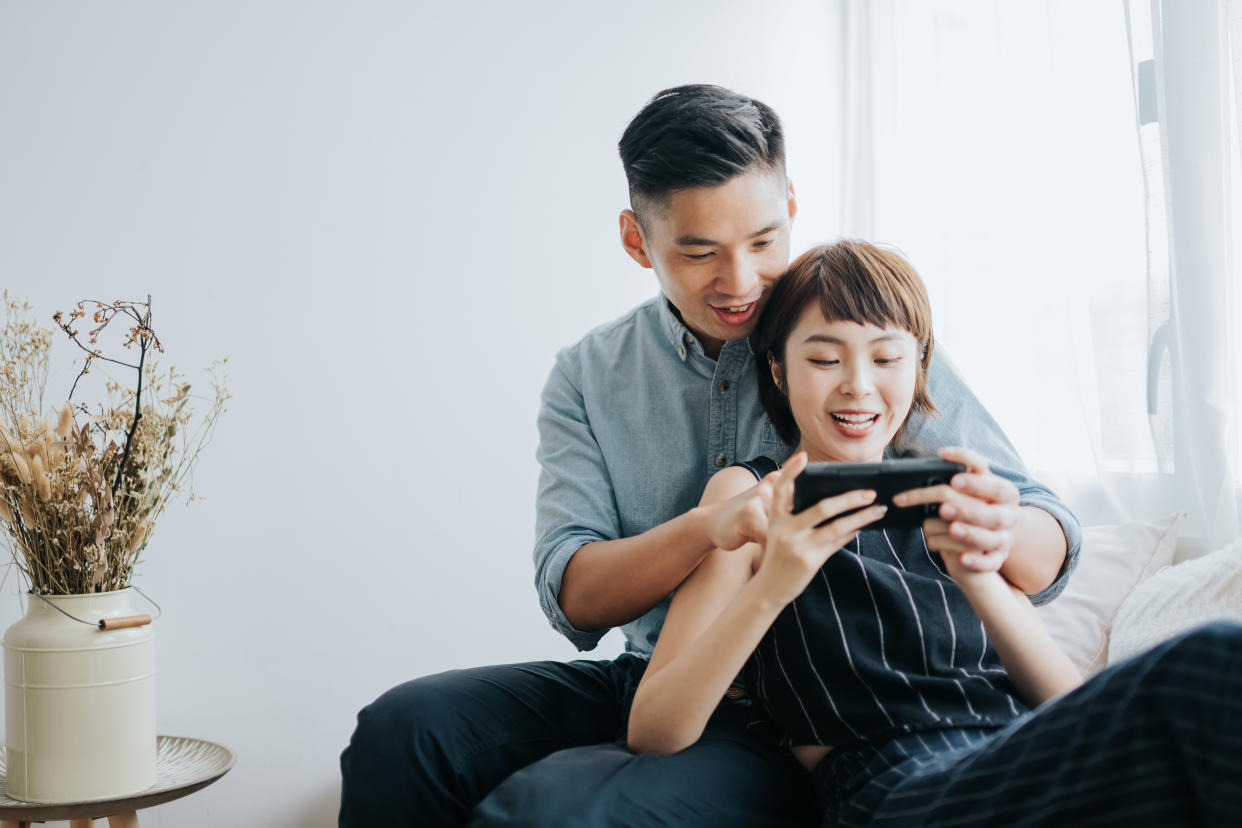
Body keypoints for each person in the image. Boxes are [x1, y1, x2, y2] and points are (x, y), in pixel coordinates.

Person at [338, 85, 1082, 827]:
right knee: (405, 728)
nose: (741, 281)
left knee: (558, 811)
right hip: (664, 671)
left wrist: (989, 534)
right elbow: (573, 593)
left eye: (763, 242)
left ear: (790, 205)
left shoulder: (852, 336)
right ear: (638, 241)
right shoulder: (591, 375)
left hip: (818, 694)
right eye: (700, 253)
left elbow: (1042, 536)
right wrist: (710, 529)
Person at [627, 241, 1242, 827]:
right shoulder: (750, 499)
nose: (858, 384)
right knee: (1216, 656)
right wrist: (775, 586)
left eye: (886, 358)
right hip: (894, 786)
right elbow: (654, 728)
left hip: (1013, 752)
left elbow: (1063, 699)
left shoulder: (948, 494)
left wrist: (978, 574)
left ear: (918, 367)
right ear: (779, 371)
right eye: (823, 358)